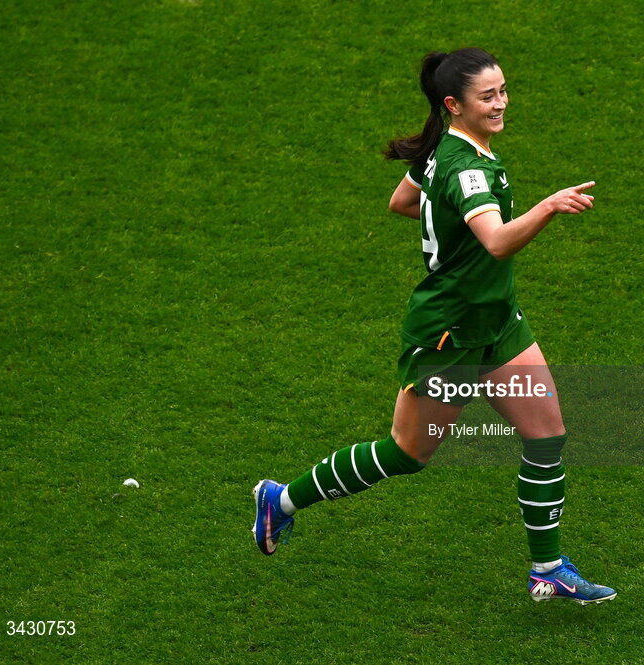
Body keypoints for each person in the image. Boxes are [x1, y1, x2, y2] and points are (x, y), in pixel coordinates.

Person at [252, 47, 616, 605]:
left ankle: (547, 567)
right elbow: (495, 242)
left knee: (546, 435)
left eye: (502, 90)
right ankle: (280, 501)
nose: (501, 103)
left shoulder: (443, 151)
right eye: (487, 96)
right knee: (406, 454)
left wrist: (444, 222)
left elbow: (402, 201)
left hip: (496, 323)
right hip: (448, 335)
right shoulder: (468, 168)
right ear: (454, 105)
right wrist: (547, 206)